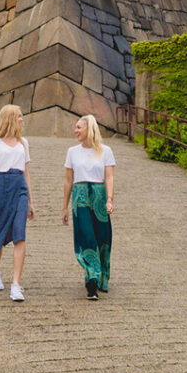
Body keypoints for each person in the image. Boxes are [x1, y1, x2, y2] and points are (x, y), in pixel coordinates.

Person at [0, 104, 34, 301]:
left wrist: (30, 201)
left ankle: (16, 285)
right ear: (10, 118)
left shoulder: (24, 143)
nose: (22, 119)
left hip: (19, 187)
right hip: (0, 186)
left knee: (20, 234)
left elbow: (27, 173)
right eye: (19, 116)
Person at [62, 114, 115, 300]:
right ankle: (91, 278)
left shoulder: (105, 150)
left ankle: (101, 276)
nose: (75, 131)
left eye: (79, 127)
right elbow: (68, 180)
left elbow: (109, 177)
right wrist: (65, 207)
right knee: (86, 236)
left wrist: (109, 199)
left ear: (89, 129)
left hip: (99, 196)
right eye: (76, 127)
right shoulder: (72, 152)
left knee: (102, 237)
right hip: (80, 197)